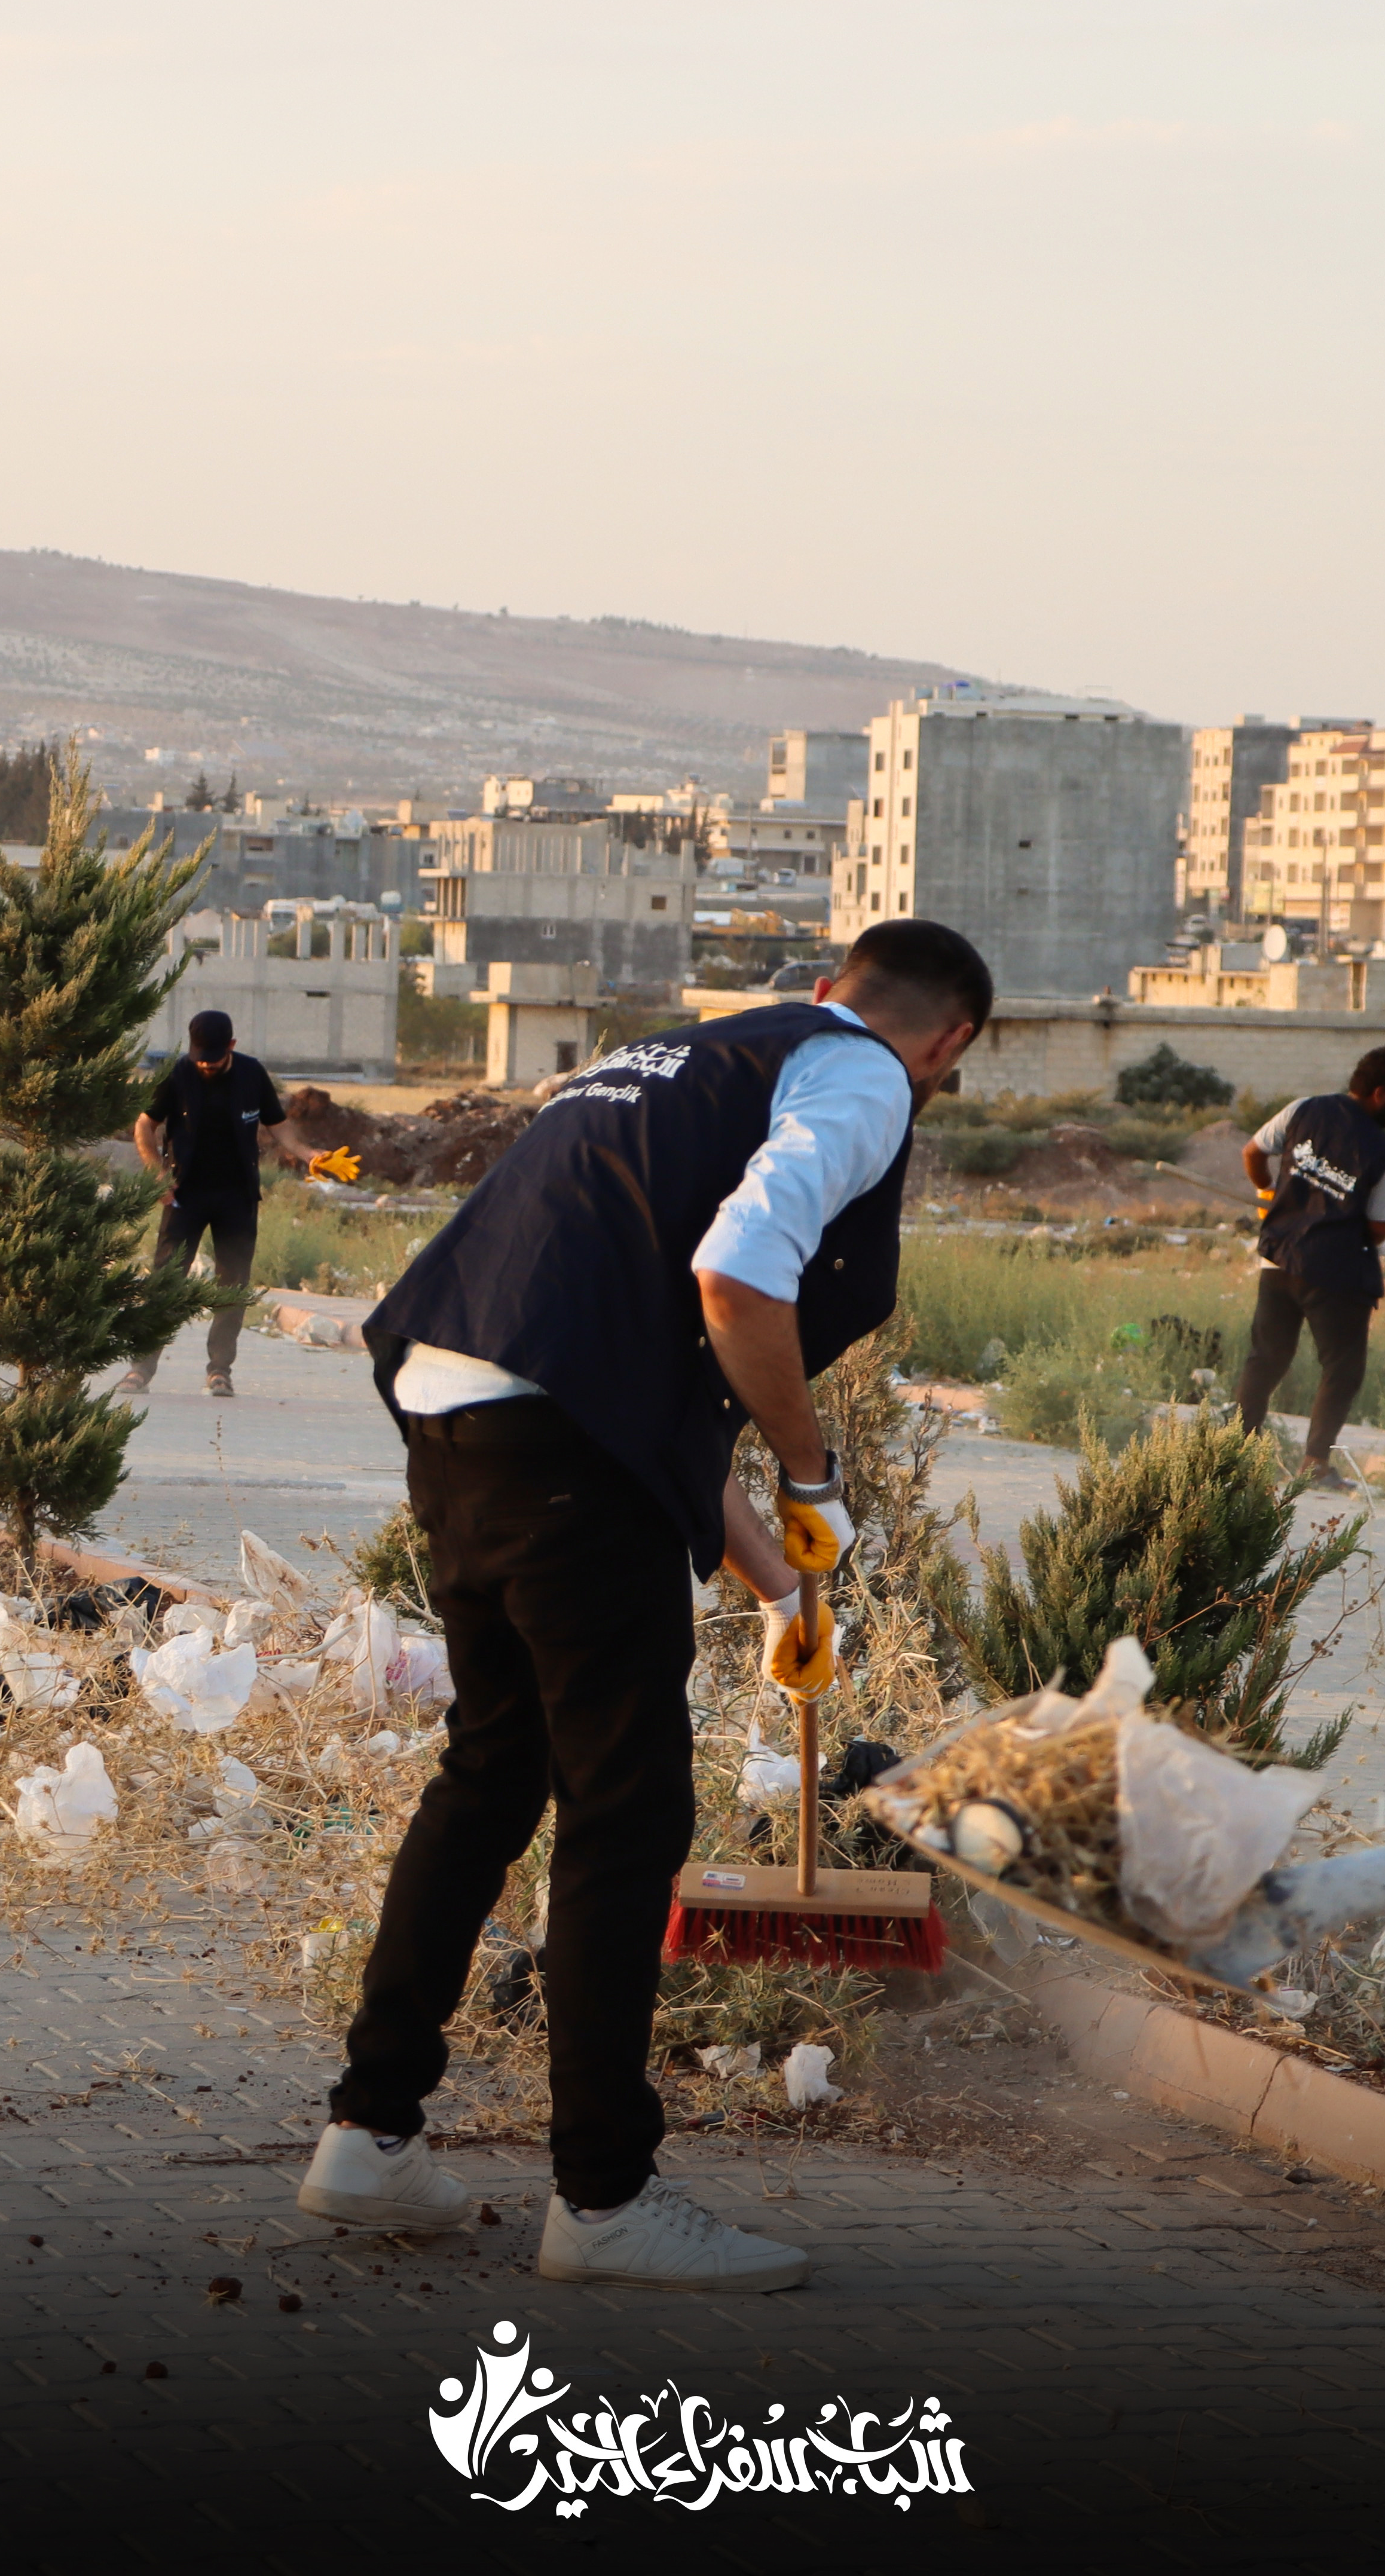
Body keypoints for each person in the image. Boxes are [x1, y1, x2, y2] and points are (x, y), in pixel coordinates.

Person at [296, 919, 991, 2292]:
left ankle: (367, 2139)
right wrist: (811, 1468)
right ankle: (604, 2198)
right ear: (947, 1041)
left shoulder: (682, 1056)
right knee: (625, 1815)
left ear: (823, 985)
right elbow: (736, 1280)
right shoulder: (857, 1079)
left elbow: (644, 1387)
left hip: (465, 1412)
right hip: (558, 1447)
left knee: (491, 1774)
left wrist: (783, 1578)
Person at [1232, 1044, 1385, 1489]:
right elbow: (1378, 1227)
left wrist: (1267, 1196)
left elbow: (1252, 1153)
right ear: (1380, 1094)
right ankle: (1315, 1465)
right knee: (1342, 1369)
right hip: (1335, 1275)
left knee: (1266, 1359)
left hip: (1278, 1257)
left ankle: (1236, 1455)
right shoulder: (1382, 1151)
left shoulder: (1304, 1110)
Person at [123, 1009, 289, 1399]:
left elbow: (280, 1127)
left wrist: (312, 1154)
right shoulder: (177, 1075)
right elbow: (144, 1125)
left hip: (237, 1198)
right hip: (184, 1196)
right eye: (200, 1056)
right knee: (165, 1284)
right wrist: (156, 1174)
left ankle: (220, 1371)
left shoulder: (251, 1075)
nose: (205, 1064)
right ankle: (140, 1370)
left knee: (232, 1287)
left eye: (212, 1058)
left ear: (231, 1047)